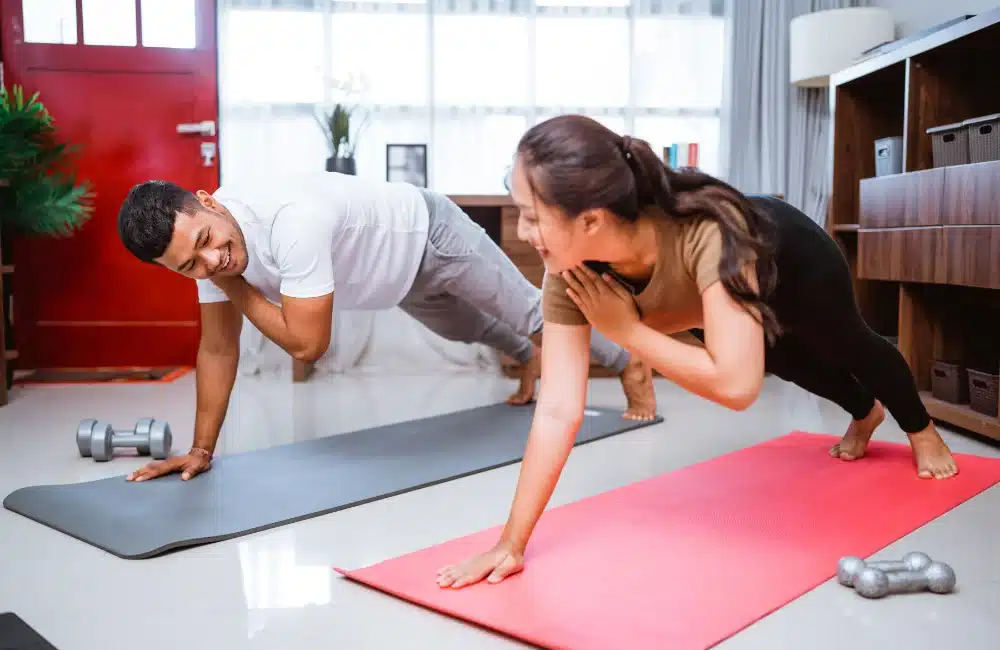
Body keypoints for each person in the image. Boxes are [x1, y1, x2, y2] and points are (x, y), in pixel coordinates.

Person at [434, 114, 959, 590]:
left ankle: (922, 430)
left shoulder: (711, 232)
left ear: (591, 220)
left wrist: (627, 330)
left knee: (845, 342)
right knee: (790, 362)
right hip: (714, 305)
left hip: (792, 260)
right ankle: (865, 412)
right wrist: (511, 544)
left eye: (532, 216)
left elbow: (736, 389)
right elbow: (557, 409)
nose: (523, 233)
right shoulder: (568, 272)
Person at [116, 172, 657, 482]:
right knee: (471, 332)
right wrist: (201, 450)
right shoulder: (207, 255)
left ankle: (629, 362)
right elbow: (216, 349)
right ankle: (528, 363)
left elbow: (308, 344)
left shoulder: (288, 221)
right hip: (397, 283)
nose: (211, 263)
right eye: (190, 265)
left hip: (431, 234)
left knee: (530, 313)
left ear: (208, 203)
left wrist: (236, 287)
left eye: (207, 241)